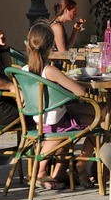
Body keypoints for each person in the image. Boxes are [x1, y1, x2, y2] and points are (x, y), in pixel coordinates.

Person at [23, 22, 95, 189]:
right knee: (101, 120)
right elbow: (80, 92)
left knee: (92, 115)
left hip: (39, 119)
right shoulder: (49, 70)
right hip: (58, 122)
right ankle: (80, 166)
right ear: (51, 46)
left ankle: (54, 172)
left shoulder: (25, 69)